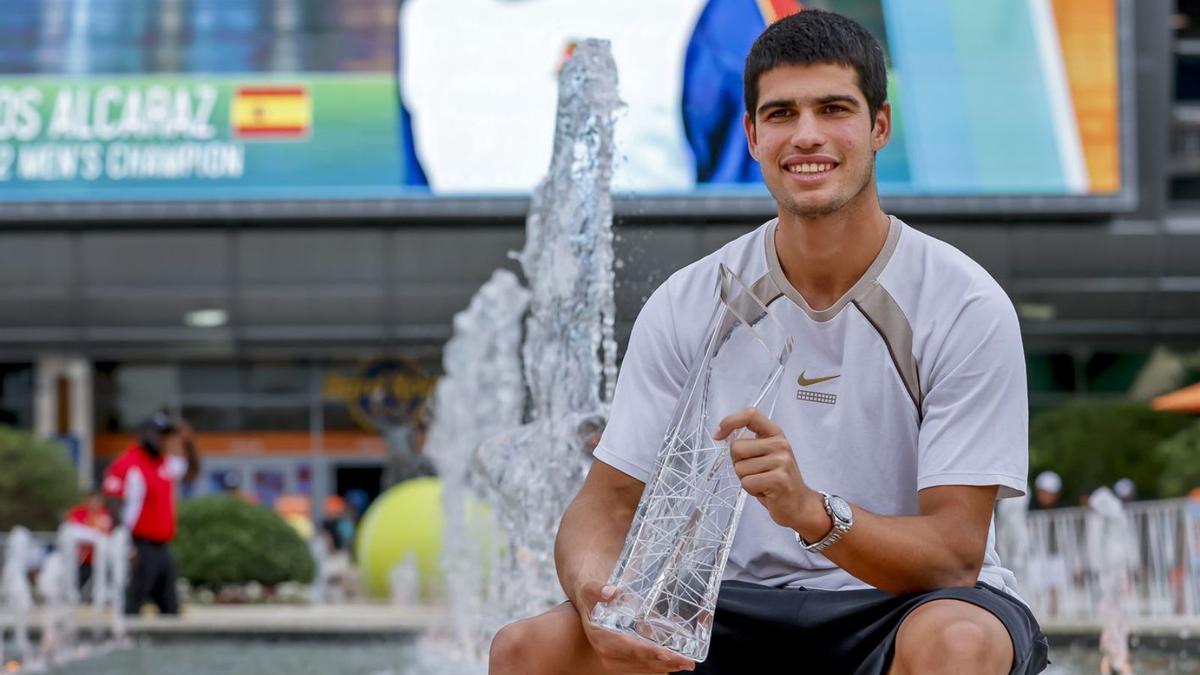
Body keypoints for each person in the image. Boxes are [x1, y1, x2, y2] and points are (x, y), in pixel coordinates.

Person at [488, 9, 1048, 674]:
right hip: (736, 605)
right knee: (529, 649)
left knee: (957, 644)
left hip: (906, 602)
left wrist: (812, 511)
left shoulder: (962, 301)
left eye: (834, 108)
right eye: (781, 114)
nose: (806, 135)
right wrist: (599, 598)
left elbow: (955, 552)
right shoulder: (690, 302)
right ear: (752, 134)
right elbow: (604, 502)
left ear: (879, 126)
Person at [101, 410, 200, 616]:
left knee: (170, 607)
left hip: (162, 547)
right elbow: (112, 503)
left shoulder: (164, 463)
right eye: (159, 434)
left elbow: (191, 473)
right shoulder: (128, 463)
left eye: (166, 435)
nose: (163, 439)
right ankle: (126, 645)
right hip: (139, 545)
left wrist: (188, 442)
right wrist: (127, 546)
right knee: (133, 604)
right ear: (145, 434)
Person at [65, 489, 114, 592]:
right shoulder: (78, 512)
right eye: (92, 499)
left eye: (98, 500)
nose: (94, 502)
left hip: (100, 558)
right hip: (82, 558)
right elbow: (73, 530)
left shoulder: (106, 514)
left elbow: (107, 533)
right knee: (77, 584)